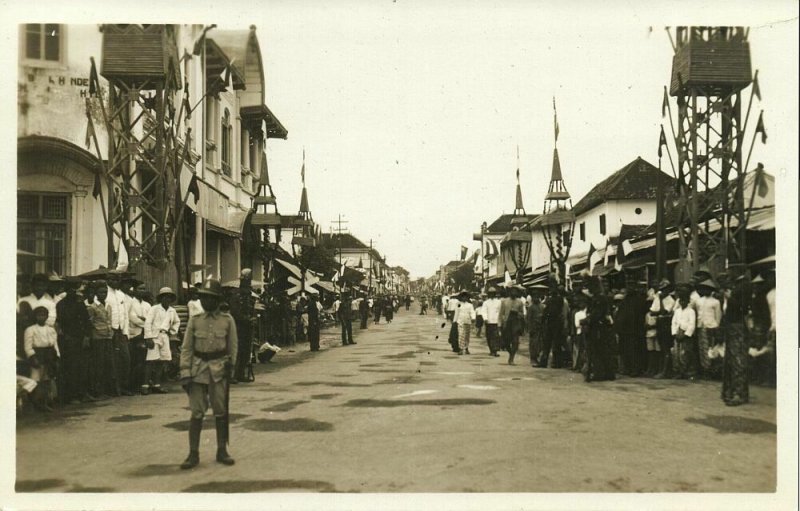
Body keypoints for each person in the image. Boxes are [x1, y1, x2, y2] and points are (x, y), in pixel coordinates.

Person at [179, 279, 238, 469]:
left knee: (220, 411)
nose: (206, 301)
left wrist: (232, 366)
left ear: (217, 300)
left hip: (219, 370)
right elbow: (186, 348)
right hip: (198, 370)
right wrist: (185, 372)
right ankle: (193, 453)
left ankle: (222, 450)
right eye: (203, 297)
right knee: (197, 412)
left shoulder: (227, 320)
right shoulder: (195, 321)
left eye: (210, 298)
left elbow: (233, 346)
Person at [56, 278, 93, 404]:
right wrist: (64, 336)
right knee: (70, 368)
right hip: (68, 340)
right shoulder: (61, 305)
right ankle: (71, 396)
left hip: (81, 339)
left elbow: (87, 321)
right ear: (66, 290)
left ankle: (82, 393)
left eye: (74, 289)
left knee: (83, 367)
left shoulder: (79, 303)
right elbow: (59, 323)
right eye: (70, 289)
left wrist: (87, 337)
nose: (72, 291)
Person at [721, 266, 751, 406]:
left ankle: (739, 393)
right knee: (733, 360)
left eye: (730, 270)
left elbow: (743, 307)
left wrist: (729, 297)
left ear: (737, 271)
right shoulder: (738, 285)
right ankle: (734, 391)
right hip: (733, 324)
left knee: (738, 360)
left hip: (737, 325)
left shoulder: (744, 286)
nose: (728, 273)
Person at [143, 287, 180, 395]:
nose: (167, 299)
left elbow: (177, 322)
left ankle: (157, 385)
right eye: (164, 297)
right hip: (154, 336)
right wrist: (148, 337)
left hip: (165, 336)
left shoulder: (172, 311)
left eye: (169, 297)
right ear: (161, 298)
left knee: (162, 361)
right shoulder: (154, 309)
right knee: (150, 361)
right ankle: (145, 385)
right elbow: (148, 323)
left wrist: (172, 331)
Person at [24, 306, 61, 411]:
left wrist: (57, 356)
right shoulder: (30, 329)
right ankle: (35, 403)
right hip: (37, 355)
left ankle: (46, 401)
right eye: (39, 315)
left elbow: (55, 344)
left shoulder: (50, 329)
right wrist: (33, 357)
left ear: (47, 316)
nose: (42, 317)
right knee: (35, 379)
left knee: (47, 379)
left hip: (49, 354)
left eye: (44, 315)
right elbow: (28, 346)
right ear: (35, 316)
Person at [584, 276, 616, 382]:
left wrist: (587, 319)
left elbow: (596, 314)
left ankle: (600, 373)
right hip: (598, 327)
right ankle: (606, 373)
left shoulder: (600, 298)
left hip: (599, 327)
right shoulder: (597, 297)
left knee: (597, 350)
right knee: (601, 350)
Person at [106, 271, 132, 396]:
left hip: (121, 331)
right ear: (108, 280)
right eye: (112, 279)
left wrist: (126, 332)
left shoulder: (121, 295)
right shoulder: (104, 294)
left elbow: (125, 315)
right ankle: (113, 389)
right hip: (110, 331)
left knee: (125, 359)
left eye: (117, 280)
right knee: (112, 360)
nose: (114, 282)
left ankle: (124, 386)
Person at [87, 283, 113, 400]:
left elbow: (109, 321)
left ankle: (104, 389)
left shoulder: (108, 306)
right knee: (98, 364)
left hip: (108, 337)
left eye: (105, 292)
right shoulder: (92, 307)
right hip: (97, 338)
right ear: (96, 294)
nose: (104, 294)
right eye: (101, 292)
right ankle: (97, 391)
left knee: (107, 363)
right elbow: (90, 323)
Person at [230, 269, 255, 383]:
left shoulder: (249, 294)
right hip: (238, 325)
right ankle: (233, 375)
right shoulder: (236, 294)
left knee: (246, 350)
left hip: (247, 326)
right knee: (237, 350)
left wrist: (252, 318)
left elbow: (251, 309)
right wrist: (246, 319)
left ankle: (241, 373)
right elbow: (235, 311)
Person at [695, 278, 722, 379]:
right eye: (703, 289)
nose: (705, 291)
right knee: (702, 348)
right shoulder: (698, 301)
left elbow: (718, 316)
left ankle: (711, 370)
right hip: (701, 326)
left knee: (711, 349)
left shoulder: (715, 302)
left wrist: (717, 327)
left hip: (711, 326)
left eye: (707, 289)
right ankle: (705, 369)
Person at [128, 283, 151, 395]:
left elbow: (152, 318)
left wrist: (145, 320)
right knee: (136, 360)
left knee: (145, 360)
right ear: (135, 290)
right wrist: (146, 321)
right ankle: (133, 385)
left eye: (144, 289)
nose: (142, 291)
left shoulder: (147, 305)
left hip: (146, 334)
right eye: (140, 289)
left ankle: (143, 383)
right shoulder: (131, 303)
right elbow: (133, 318)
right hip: (135, 334)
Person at [671, 287, 698, 380]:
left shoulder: (691, 311)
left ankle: (688, 372)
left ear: (688, 301)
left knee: (686, 353)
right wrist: (674, 333)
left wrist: (686, 335)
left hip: (686, 335)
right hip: (677, 333)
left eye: (684, 300)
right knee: (676, 353)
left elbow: (692, 324)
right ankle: (678, 371)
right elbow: (673, 322)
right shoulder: (677, 311)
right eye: (681, 301)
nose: (682, 303)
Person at [652, 279, 675, 379]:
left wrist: (661, 301)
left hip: (666, 324)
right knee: (660, 347)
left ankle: (665, 371)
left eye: (665, 289)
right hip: (659, 323)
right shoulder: (657, 298)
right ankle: (661, 370)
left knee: (666, 348)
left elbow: (663, 312)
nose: (663, 291)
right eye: (662, 289)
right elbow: (652, 312)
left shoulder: (670, 300)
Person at [540, 284, 567, 368]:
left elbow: (547, 311)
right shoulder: (556, 299)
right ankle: (554, 362)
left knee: (553, 344)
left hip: (555, 322)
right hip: (552, 322)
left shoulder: (556, 299)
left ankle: (554, 362)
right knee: (551, 343)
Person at [500, 286, 526, 365]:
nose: (513, 293)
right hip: (507, 324)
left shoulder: (520, 302)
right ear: (509, 292)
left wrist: (517, 313)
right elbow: (501, 314)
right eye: (512, 291)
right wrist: (501, 324)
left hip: (516, 324)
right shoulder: (504, 301)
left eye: (515, 291)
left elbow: (522, 314)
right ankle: (511, 353)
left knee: (515, 342)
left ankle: (511, 358)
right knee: (506, 343)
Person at [526, 289, 545, 367]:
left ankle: (538, 358)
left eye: (537, 296)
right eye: (534, 297)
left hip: (541, 328)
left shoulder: (542, 306)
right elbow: (528, 319)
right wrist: (530, 329)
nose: (536, 298)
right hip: (534, 328)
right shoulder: (531, 307)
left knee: (541, 344)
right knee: (533, 344)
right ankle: (533, 358)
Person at [482, 287, 502, 357]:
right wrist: (485, 318)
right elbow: (484, 311)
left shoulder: (499, 302)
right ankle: (491, 350)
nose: (492, 295)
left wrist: (500, 320)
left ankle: (495, 350)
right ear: (488, 294)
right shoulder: (486, 303)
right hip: (489, 322)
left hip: (496, 321)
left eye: (493, 293)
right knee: (489, 336)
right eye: (490, 294)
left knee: (496, 336)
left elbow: (500, 311)